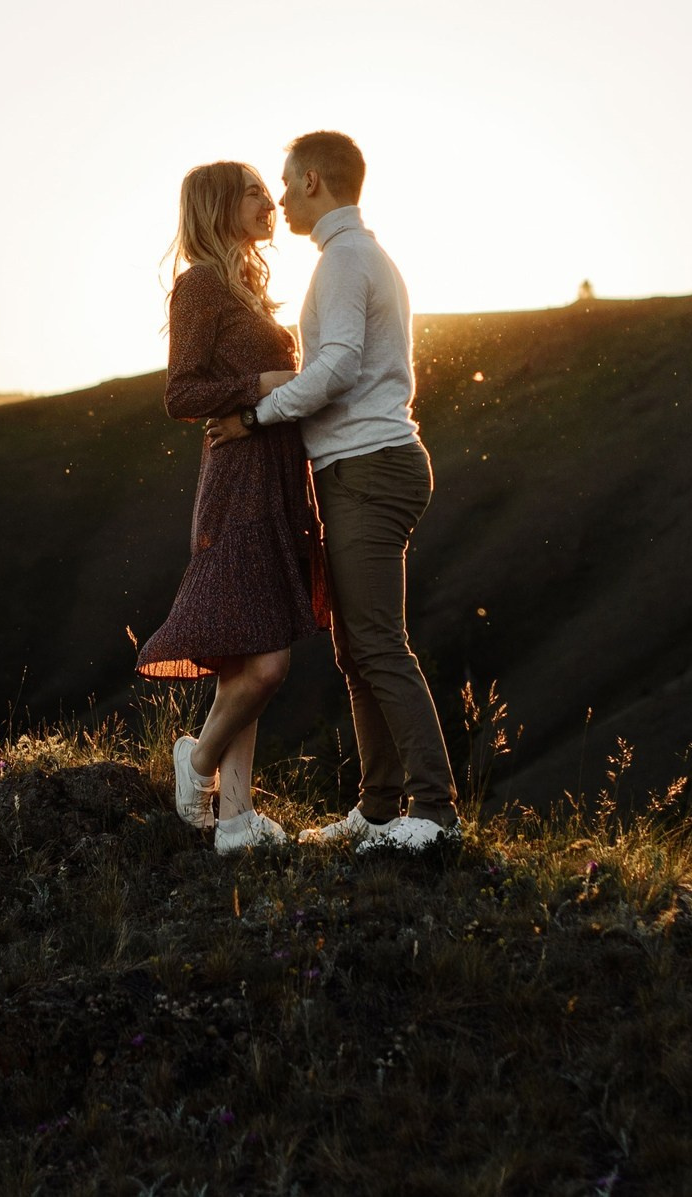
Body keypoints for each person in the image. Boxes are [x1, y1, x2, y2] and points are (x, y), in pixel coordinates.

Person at [208, 131, 458, 852]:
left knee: (377, 643)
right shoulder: (353, 256)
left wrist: (256, 416)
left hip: (370, 468)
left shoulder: (345, 259)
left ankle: (434, 813)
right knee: (358, 649)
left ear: (313, 180)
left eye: (286, 183)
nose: (279, 196)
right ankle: (379, 810)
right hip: (365, 466)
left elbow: (340, 364)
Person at [138, 161, 331, 854]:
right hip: (239, 484)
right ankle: (195, 760)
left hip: (276, 477)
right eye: (252, 191)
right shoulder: (200, 286)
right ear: (219, 207)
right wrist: (268, 380)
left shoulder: (247, 286)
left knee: (246, 653)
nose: (268, 201)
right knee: (267, 662)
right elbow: (181, 393)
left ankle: (237, 819)